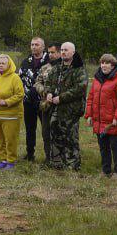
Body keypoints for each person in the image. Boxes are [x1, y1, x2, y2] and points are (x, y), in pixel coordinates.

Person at [42, 42, 87, 170]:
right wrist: (49, 93)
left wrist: (61, 98)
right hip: (56, 109)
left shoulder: (79, 68)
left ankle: (73, 164)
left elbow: (80, 89)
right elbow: (48, 82)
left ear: (73, 52)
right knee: (55, 133)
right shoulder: (56, 68)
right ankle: (58, 162)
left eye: (66, 50)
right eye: (61, 50)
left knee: (70, 137)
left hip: (72, 109)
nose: (63, 52)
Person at [86, 54, 117, 178]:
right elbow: (91, 98)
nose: (104, 65)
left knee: (116, 147)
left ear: (113, 65)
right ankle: (106, 170)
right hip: (99, 120)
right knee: (103, 147)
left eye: (107, 63)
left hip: (112, 121)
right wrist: (89, 115)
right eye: (102, 63)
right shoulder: (97, 79)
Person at [0, 54, 25, 169]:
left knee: (10, 140)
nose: (1, 65)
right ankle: (3, 159)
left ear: (9, 64)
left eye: (3, 63)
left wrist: (7, 102)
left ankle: (11, 161)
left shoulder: (15, 78)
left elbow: (20, 94)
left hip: (10, 116)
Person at [17, 38, 48, 162]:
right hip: (28, 101)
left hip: (44, 101)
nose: (34, 47)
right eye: (32, 45)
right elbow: (20, 80)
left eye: (37, 44)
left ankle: (49, 155)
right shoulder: (26, 62)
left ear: (43, 47)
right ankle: (30, 154)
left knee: (46, 129)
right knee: (30, 129)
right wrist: (25, 94)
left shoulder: (49, 61)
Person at [35, 43, 61, 163]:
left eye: (53, 52)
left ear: (60, 53)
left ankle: (59, 158)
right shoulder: (44, 68)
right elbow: (37, 83)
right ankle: (48, 158)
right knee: (46, 132)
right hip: (46, 105)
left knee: (58, 133)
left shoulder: (66, 67)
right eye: (49, 52)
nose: (50, 55)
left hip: (61, 105)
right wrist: (45, 92)